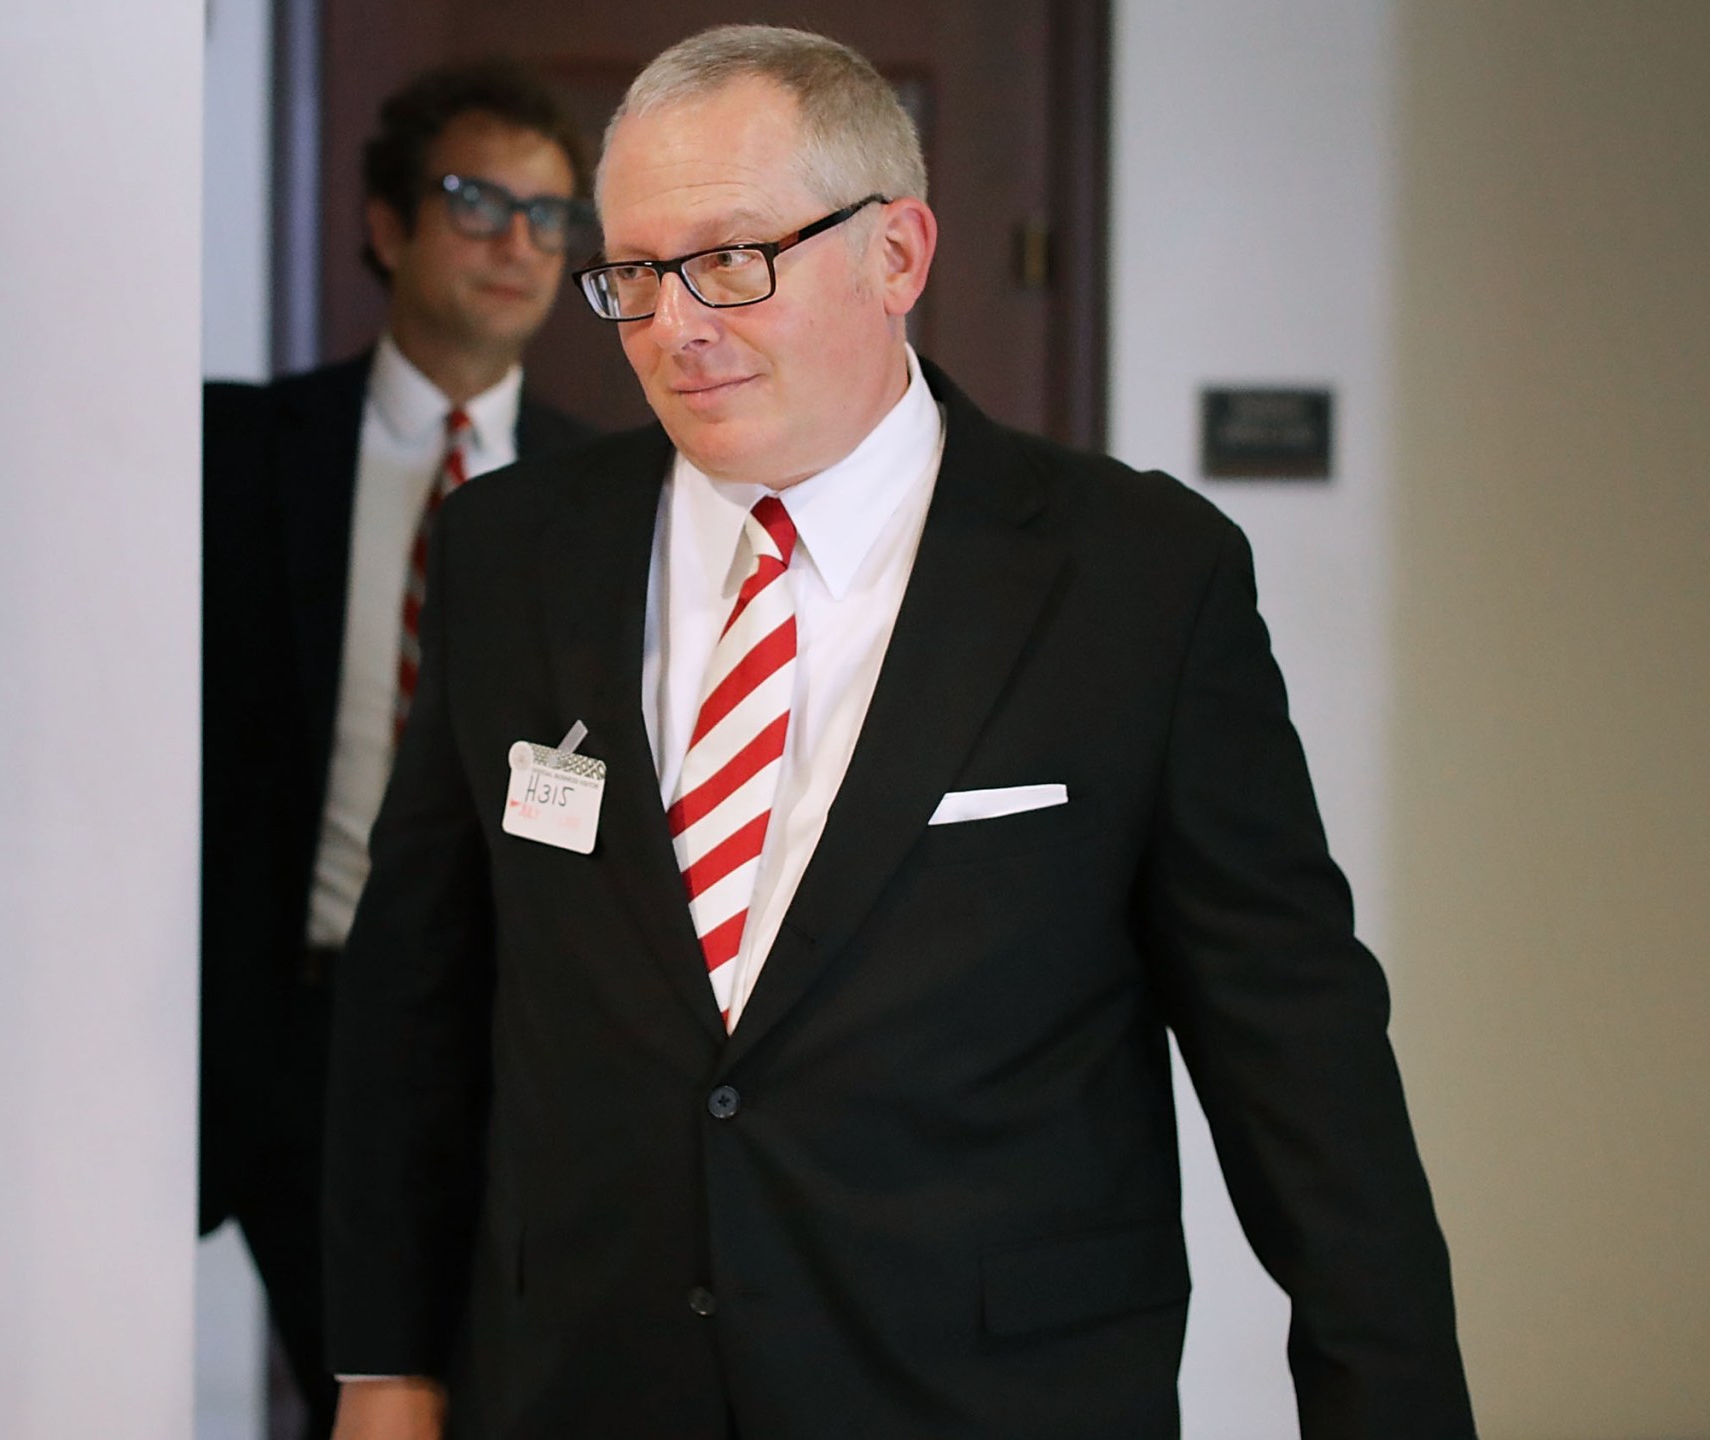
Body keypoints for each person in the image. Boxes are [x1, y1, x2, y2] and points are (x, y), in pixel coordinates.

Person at [324, 25, 1475, 1440]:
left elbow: (1298, 1056)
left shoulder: (1132, 579)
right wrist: (384, 1368)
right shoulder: (512, 550)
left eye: (734, 260)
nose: (675, 323)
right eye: (630, 277)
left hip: (981, 1393)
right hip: (578, 1384)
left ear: (900, 255)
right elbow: (416, 997)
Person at [200, 60, 599, 1439]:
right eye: (479, 200)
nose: (517, 244)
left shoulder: (607, 498)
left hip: (518, 1038)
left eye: (553, 219)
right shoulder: (232, 456)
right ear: (384, 226)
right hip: (278, 1037)